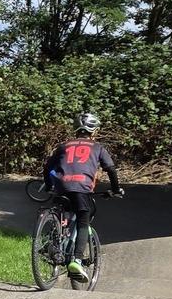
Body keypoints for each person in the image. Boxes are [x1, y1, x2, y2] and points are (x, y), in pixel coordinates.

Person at [43, 112, 124, 280]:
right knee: (82, 221)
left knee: (62, 214)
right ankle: (77, 261)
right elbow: (110, 169)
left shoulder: (63, 146)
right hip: (81, 187)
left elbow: (47, 167)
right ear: (93, 131)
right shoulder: (98, 147)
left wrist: (49, 186)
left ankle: (53, 245)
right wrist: (115, 189)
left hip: (61, 186)